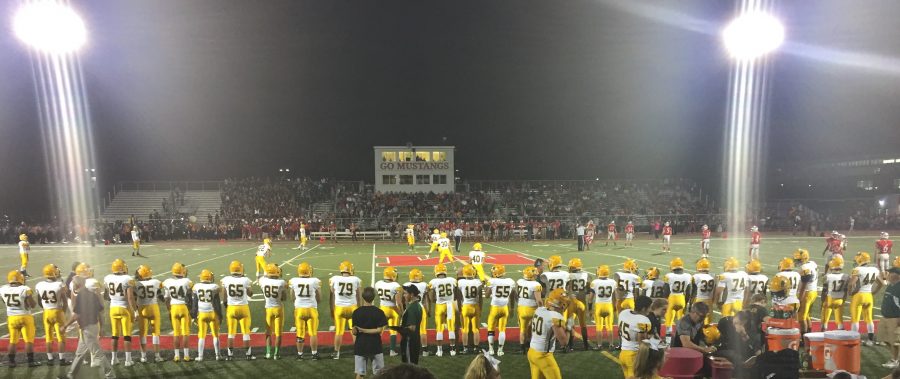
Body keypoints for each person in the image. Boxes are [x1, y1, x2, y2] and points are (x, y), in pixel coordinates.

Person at [62, 275, 114, 379]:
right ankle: (71, 375)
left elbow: (77, 315)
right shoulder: (92, 294)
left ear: (77, 284)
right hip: (91, 326)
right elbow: (100, 311)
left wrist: (65, 326)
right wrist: (102, 326)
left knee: (98, 353)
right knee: (80, 353)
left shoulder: (80, 296)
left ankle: (110, 375)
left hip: (87, 328)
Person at [527, 289, 570, 379]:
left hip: (531, 352)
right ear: (560, 303)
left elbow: (529, 327)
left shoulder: (539, 310)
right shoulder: (555, 317)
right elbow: (564, 342)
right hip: (543, 355)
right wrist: (569, 328)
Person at [2, 270, 39, 367]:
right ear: (20, 278)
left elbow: (4, 301)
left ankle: (11, 361)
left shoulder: (3, 289)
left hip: (11, 317)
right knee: (29, 341)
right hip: (24, 316)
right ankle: (30, 362)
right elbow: (32, 304)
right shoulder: (24, 289)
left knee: (13, 341)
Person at [103, 258, 137, 366]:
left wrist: (114, 298)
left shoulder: (108, 278)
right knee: (127, 335)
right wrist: (136, 310)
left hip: (113, 308)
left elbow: (106, 295)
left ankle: (114, 359)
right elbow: (130, 297)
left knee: (115, 335)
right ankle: (128, 360)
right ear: (122, 268)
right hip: (124, 308)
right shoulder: (127, 279)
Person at [36, 264, 70, 365]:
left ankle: (50, 359)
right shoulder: (59, 284)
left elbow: (39, 301)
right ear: (54, 273)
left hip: (46, 312)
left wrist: (46, 308)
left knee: (48, 337)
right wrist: (62, 312)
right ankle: (61, 359)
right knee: (61, 337)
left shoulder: (39, 285)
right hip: (57, 311)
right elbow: (65, 301)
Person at [352, 287, 389, 378]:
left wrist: (362, 330)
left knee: (360, 374)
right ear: (374, 297)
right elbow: (379, 330)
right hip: (375, 345)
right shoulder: (379, 312)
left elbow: (354, 331)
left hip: (361, 345)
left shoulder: (356, 312)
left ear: (363, 297)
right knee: (379, 374)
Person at [221, 260, 255, 360]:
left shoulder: (226, 279)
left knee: (231, 332)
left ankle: (230, 355)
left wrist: (226, 304)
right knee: (245, 332)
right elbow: (250, 294)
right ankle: (248, 355)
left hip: (231, 308)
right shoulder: (245, 280)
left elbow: (224, 295)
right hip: (243, 307)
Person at [330, 260, 362, 359]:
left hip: (339, 308)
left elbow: (332, 292)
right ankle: (358, 352)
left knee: (339, 331)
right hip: (352, 307)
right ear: (350, 269)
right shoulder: (356, 279)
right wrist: (359, 308)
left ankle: (336, 353)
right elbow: (359, 296)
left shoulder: (334, 279)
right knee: (355, 330)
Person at [289, 262, 321, 359]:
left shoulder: (294, 281)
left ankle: (300, 354)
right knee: (313, 333)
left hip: (299, 309)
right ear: (309, 271)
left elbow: (292, 296)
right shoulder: (314, 281)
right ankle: (314, 354)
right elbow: (319, 297)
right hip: (311, 309)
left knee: (300, 333)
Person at [134, 264, 165, 363]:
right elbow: (160, 294)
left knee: (143, 333)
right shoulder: (156, 282)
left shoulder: (136, 284)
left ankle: (143, 356)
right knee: (155, 332)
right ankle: (157, 356)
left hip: (141, 308)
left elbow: (134, 297)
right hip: (153, 308)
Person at [164, 262, 194, 361]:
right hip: (183, 306)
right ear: (182, 271)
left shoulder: (168, 282)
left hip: (173, 307)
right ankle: (186, 356)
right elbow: (190, 292)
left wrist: (169, 310)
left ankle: (176, 356)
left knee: (176, 333)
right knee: (185, 332)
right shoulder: (187, 281)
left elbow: (167, 299)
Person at [849, 252, 880, 345]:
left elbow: (851, 283)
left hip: (859, 295)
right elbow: (881, 282)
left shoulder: (858, 269)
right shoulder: (874, 269)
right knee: (869, 318)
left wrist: (849, 292)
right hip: (869, 295)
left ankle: (854, 339)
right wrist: (874, 292)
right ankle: (870, 340)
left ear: (860, 259)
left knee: (855, 319)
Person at [618, 295, 652, 378]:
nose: (650, 310)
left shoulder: (624, 313)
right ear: (644, 308)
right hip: (633, 355)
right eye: (649, 307)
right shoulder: (643, 320)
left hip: (623, 353)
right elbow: (641, 341)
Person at [485, 264, 516, 356]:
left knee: (491, 329)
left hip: (495, 308)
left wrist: (488, 289)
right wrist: (512, 308)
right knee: (502, 330)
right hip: (505, 308)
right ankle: (500, 350)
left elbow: (486, 295)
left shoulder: (492, 281)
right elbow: (512, 296)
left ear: (495, 273)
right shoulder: (510, 281)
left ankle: (491, 349)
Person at [193, 269, 223, 361]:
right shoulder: (215, 287)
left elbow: (195, 302)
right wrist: (220, 315)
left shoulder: (196, 286)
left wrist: (194, 316)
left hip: (202, 314)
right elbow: (217, 303)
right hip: (213, 313)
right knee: (215, 335)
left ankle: (200, 356)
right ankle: (218, 355)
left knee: (201, 335)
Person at [429, 263, 458, 356]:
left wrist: (434, 300)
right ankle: (452, 350)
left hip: (439, 306)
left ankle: (439, 350)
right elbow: (456, 293)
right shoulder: (452, 280)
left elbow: (431, 296)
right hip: (450, 305)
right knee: (451, 328)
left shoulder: (433, 281)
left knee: (439, 328)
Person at [259, 263, 287, 359]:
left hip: (268, 309)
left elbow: (264, 275)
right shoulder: (281, 282)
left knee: (268, 333)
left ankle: (268, 353)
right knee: (278, 333)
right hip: (278, 308)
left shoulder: (262, 281)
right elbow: (284, 298)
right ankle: (276, 354)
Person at [588, 265, 617, 349]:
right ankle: (611, 345)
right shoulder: (613, 282)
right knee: (609, 327)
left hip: (599, 306)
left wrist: (589, 309)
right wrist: (614, 306)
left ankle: (599, 345)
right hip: (608, 305)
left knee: (599, 327)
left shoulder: (595, 282)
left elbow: (590, 298)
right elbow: (615, 296)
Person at [663, 258, 691, 342]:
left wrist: (665, 302)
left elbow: (666, 291)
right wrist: (686, 303)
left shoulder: (669, 276)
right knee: (681, 321)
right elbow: (688, 292)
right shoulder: (688, 276)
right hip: (681, 298)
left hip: (672, 298)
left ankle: (668, 342)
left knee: (669, 320)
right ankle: (680, 340)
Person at [458, 265, 483, 354]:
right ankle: (476, 348)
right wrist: (480, 308)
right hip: (475, 306)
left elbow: (459, 296)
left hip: (465, 306)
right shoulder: (478, 282)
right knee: (475, 329)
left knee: (465, 329)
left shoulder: (461, 282)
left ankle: (465, 348)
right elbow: (480, 297)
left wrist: (459, 308)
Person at [566, 258, 591, 351]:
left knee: (571, 324)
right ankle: (586, 345)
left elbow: (567, 288)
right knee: (583, 325)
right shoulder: (586, 275)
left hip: (572, 302)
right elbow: (588, 290)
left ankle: (571, 346)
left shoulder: (569, 275)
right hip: (582, 302)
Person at [403, 269, 429, 354]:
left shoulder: (406, 285)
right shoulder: (424, 285)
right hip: (420, 307)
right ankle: (425, 350)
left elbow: (405, 300)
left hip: (410, 307)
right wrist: (428, 310)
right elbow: (426, 299)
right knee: (422, 330)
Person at [879, 265, 900, 368]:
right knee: (885, 339)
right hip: (885, 316)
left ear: (897, 275)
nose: (889, 274)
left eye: (891, 273)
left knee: (895, 341)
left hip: (895, 318)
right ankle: (894, 358)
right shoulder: (891, 285)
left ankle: (895, 360)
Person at [398, 284, 425, 365]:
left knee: (409, 367)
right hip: (414, 339)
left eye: (406, 293)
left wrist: (397, 328)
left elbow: (412, 327)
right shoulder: (416, 305)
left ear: (412, 294)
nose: (404, 295)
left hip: (409, 341)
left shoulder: (413, 308)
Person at [793, 249, 818, 335]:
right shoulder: (812, 263)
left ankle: (804, 338)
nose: (796, 261)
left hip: (806, 293)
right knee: (807, 315)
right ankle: (809, 333)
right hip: (814, 291)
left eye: (798, 259)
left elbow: (804, 285)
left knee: (801, 317)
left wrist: (799, 299)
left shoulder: (804, 268)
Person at [821, 257, 849, 332]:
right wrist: (844, 299)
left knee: (825, 318)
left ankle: (824, 330)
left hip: (830, 299)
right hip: (840, 299)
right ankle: (841, 332)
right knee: (839, 318)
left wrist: (822, 300)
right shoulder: (846, 276)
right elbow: (846, 290)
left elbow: (824, 290)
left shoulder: (827, 276)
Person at [690, 258, 715, 325]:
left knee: (697, 319)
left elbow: (693, 290)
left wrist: (691, 301)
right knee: (708, 320)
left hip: (699, 299)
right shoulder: (712, 276)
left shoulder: (696, 276)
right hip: (709, 300)